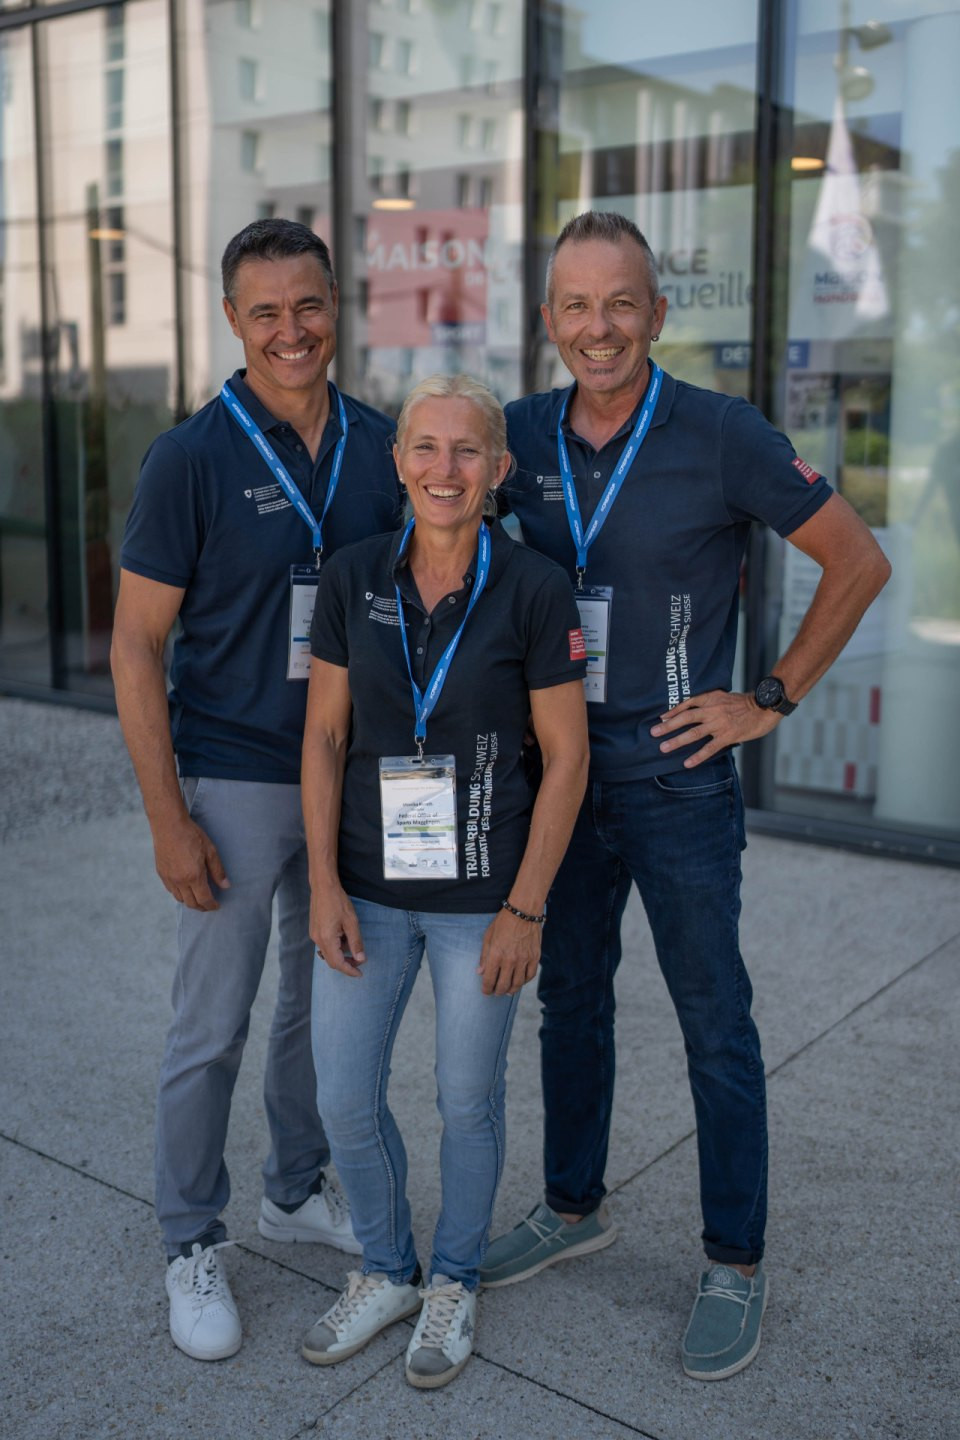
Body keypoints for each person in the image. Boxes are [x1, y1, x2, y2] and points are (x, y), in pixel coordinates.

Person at [480, 211, 892, 1380]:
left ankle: (734, 1259)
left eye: (622, 304)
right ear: (549, 320)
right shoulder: (516, 437)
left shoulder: (721, 433)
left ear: (658, 316)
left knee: (715, 1022)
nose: (598, 327)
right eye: (575, 305)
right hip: (558, 781)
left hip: (678, 781)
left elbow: (858, 561)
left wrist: (767, 698)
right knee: (575, 1005)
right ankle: (571, 1206)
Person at [110, 218, 402, 1362]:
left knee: (317, 1011)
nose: (292, 330)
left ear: (338, 305)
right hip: (234, 776)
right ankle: (192, 1234)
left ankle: (292, 1183)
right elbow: (136, 645)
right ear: (232, 319)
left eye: (310, 305)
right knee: (212, 1025)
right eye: (266, 311)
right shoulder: (190, 457)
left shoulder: (382, 447)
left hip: (357, 776)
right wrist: (167, 816)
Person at [297, 374, 589, 1389]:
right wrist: (325, 887)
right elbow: (326, 734)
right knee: (343, 1098)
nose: (445, 470)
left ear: (499, 470)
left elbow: (569, 757)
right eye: (425, 448)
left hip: (483, 905)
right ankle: (388, 1269)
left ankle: (454, 1277)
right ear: (398, 462)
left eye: (468, 452)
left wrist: (527, 906)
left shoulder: (536, 587)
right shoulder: (349, 576)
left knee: (466, 1101)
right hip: (367, 891)